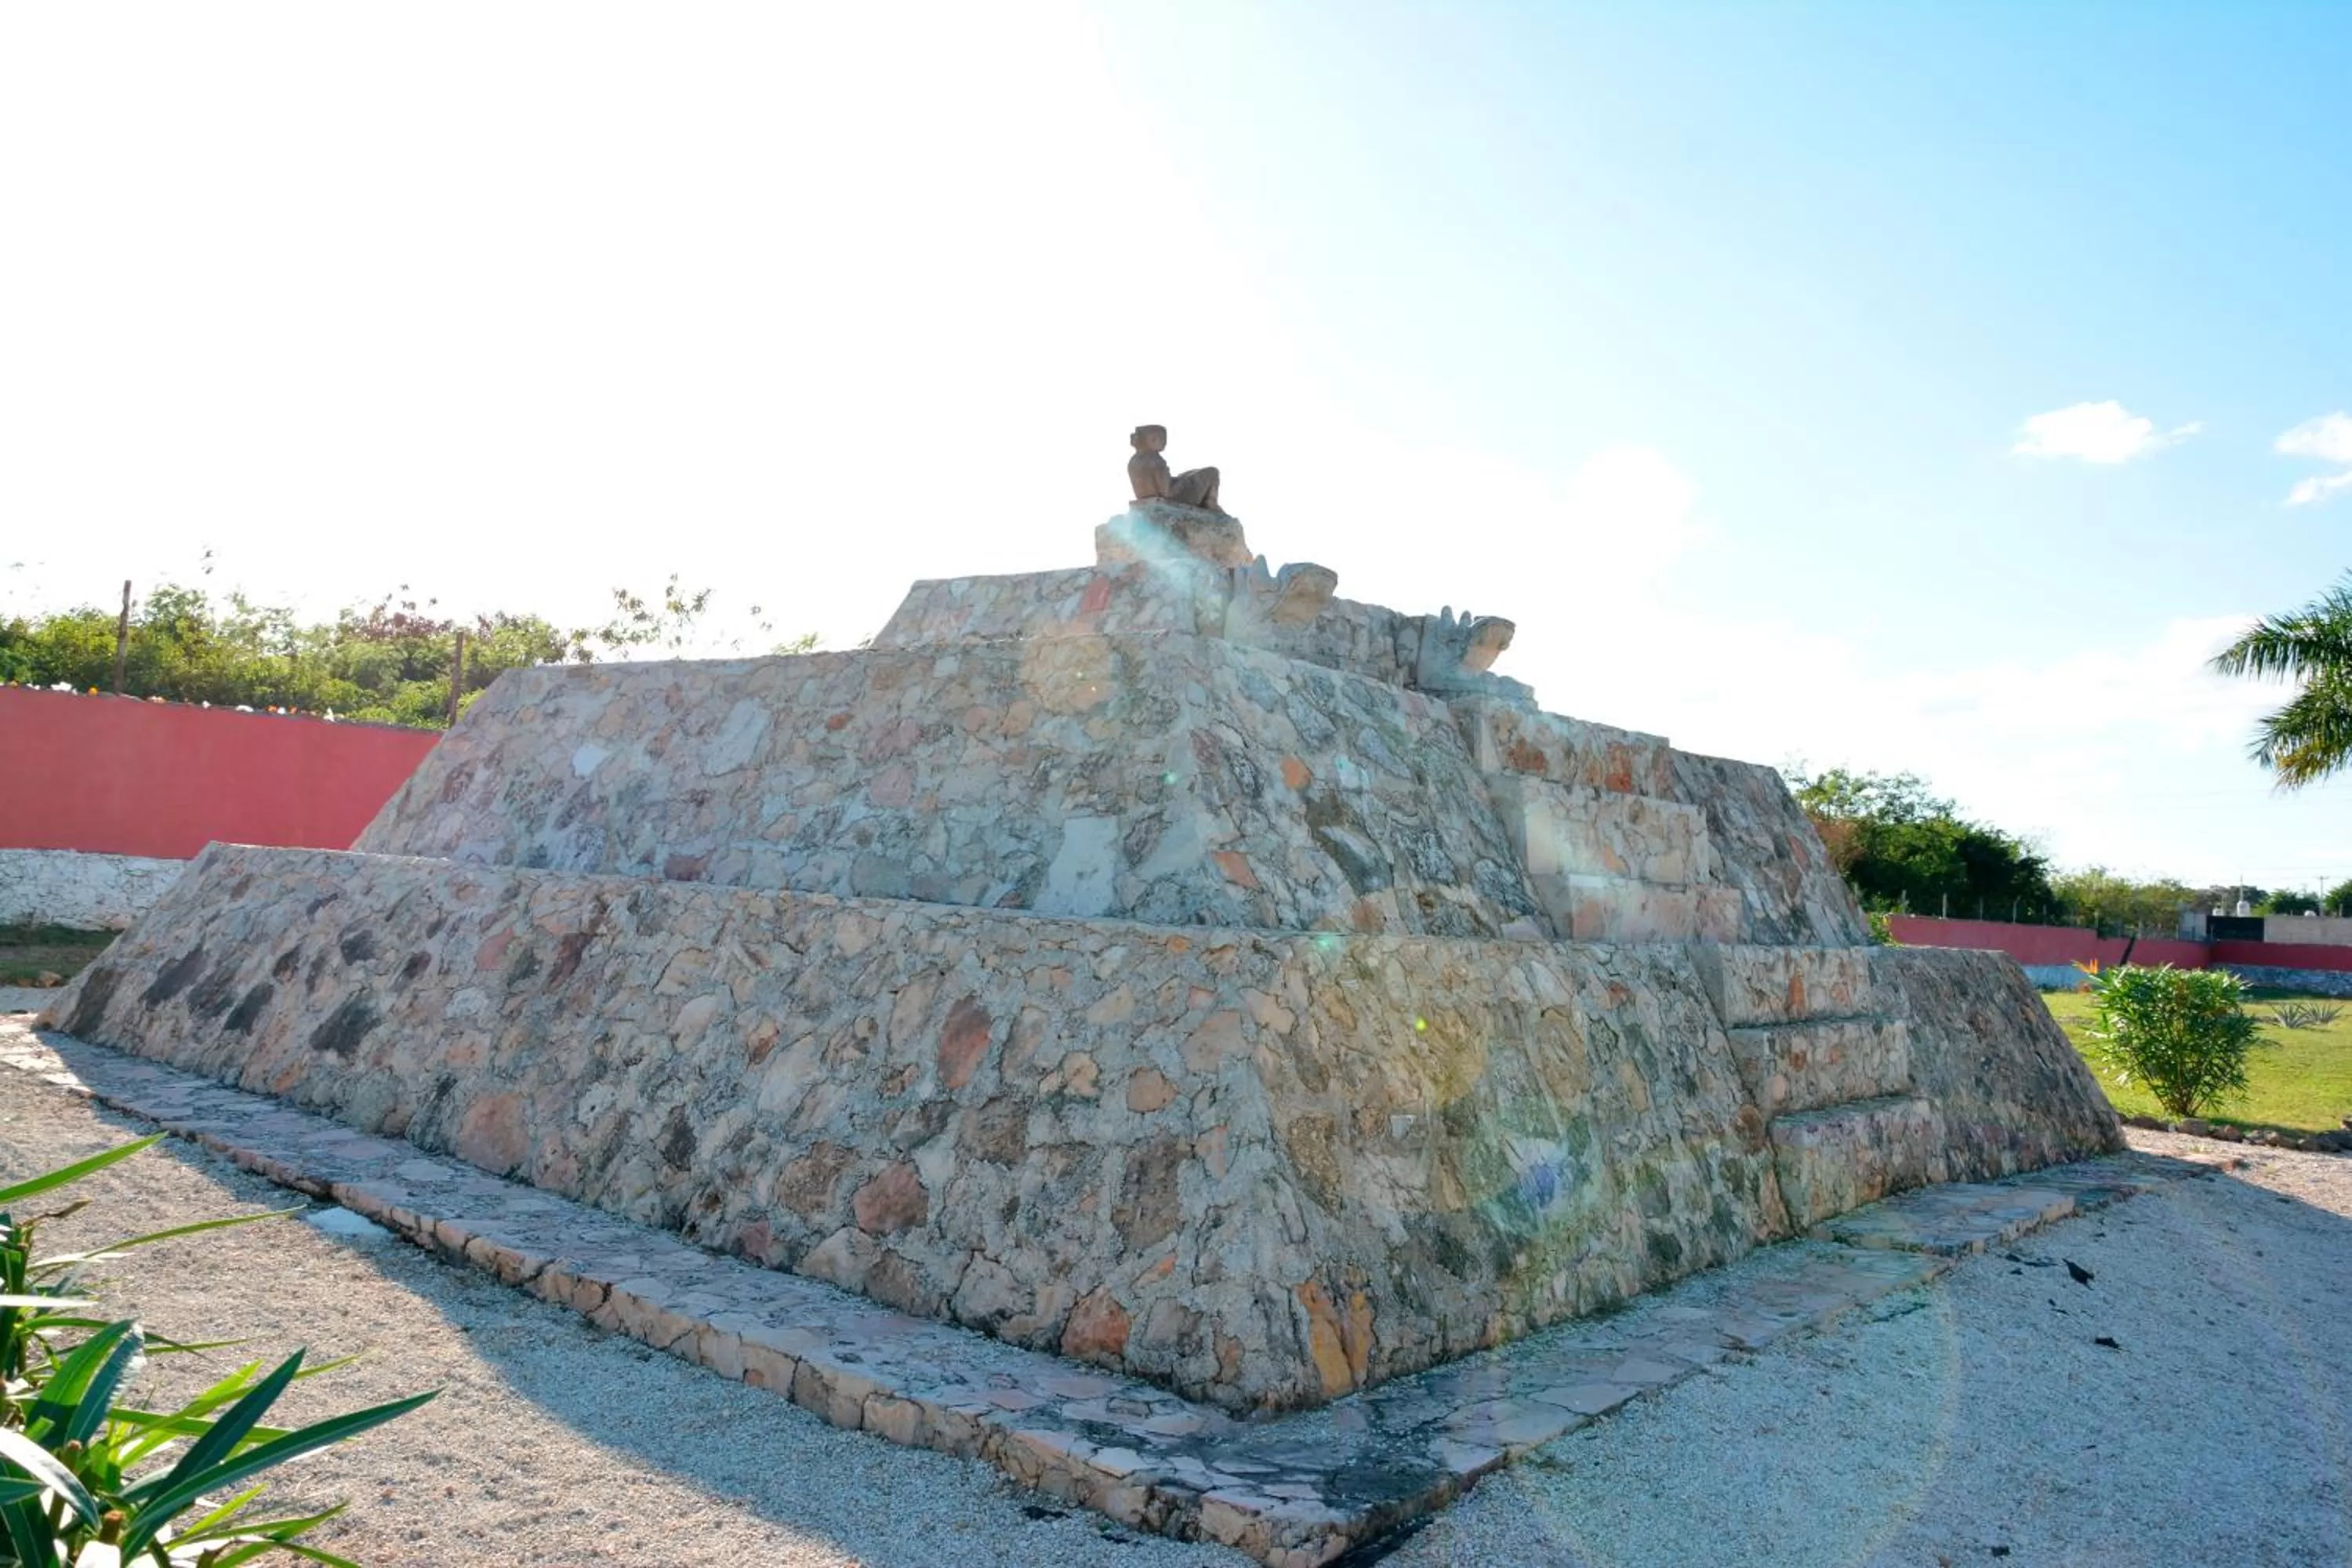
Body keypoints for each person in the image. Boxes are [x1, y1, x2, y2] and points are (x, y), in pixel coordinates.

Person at [1127, 425, 1222, 512]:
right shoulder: (1156, 460)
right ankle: (1210, 503)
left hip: (1149, 500)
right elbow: (1167, 492)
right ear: (1154, 439)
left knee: (1188, 474)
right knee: (1212, 472)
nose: (1164, 443)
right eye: (1163, 439)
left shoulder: (1134, 461)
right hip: (1171, 499)